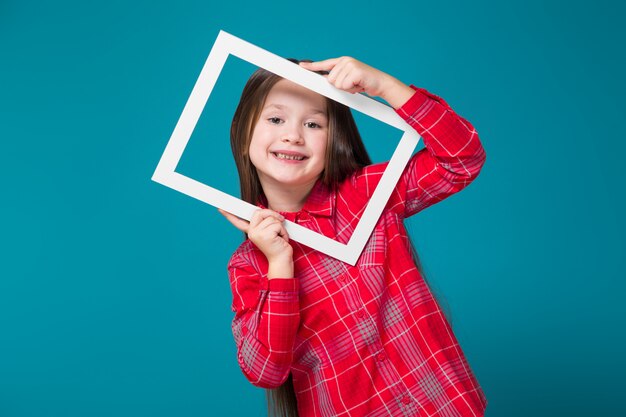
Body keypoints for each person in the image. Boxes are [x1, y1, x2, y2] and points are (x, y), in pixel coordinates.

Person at [219, 56, 487, 417]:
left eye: (313, 123)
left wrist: (387, 87)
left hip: (444, 406)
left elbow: (462, 159)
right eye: (276, 118)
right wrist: (280, 264)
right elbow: (265, 369)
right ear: (242, 129)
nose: (293, 135)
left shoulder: (369, 194)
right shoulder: (250, 264)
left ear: (335, 137)